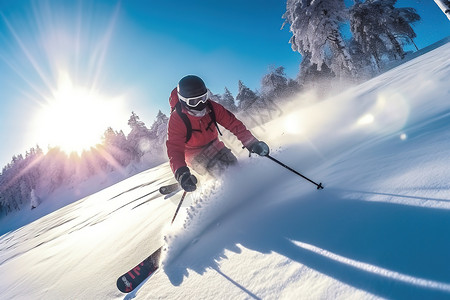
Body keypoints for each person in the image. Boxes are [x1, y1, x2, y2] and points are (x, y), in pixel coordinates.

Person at [166, 75, 269, 192]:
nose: (200, 104)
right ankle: (201, 184)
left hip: (215, 145)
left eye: (203, 98)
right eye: (193, 101)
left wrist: (251, 142)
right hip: (194, 155)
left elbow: (234, 124)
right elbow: (174, 149)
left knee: (234, 167)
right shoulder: (177, 119)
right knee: (223, 175)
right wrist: (181, 172)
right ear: (183, 101)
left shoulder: (212, 107)